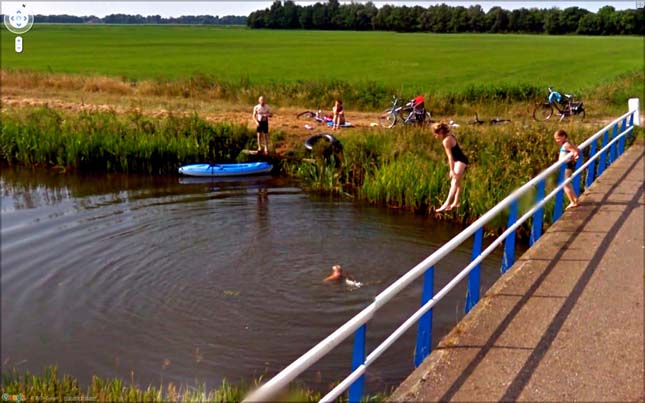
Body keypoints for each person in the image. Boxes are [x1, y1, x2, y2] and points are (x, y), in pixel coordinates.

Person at [433, 122, 469, 213]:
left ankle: (447, 203)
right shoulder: (450, 136)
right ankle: (456, 202)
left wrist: (451, 170)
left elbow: (450, 157)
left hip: (460, 161)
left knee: (454, 182)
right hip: (460, 160)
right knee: (458, 183)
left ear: (441, 132)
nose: (435, 136)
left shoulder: (446, 141)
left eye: (436, 134)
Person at [554, 129, 581, 209]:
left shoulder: (566, 145)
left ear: (564, 137)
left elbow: (575, 151)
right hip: (566, 166)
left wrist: (575, 157)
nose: (557, 140)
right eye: (555, 139)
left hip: (567, 166)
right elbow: (577, 149)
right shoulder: (566, 144)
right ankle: (575, 199)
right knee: (567, 184)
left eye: (558, 138)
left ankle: (573, 202)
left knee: (565, 185)